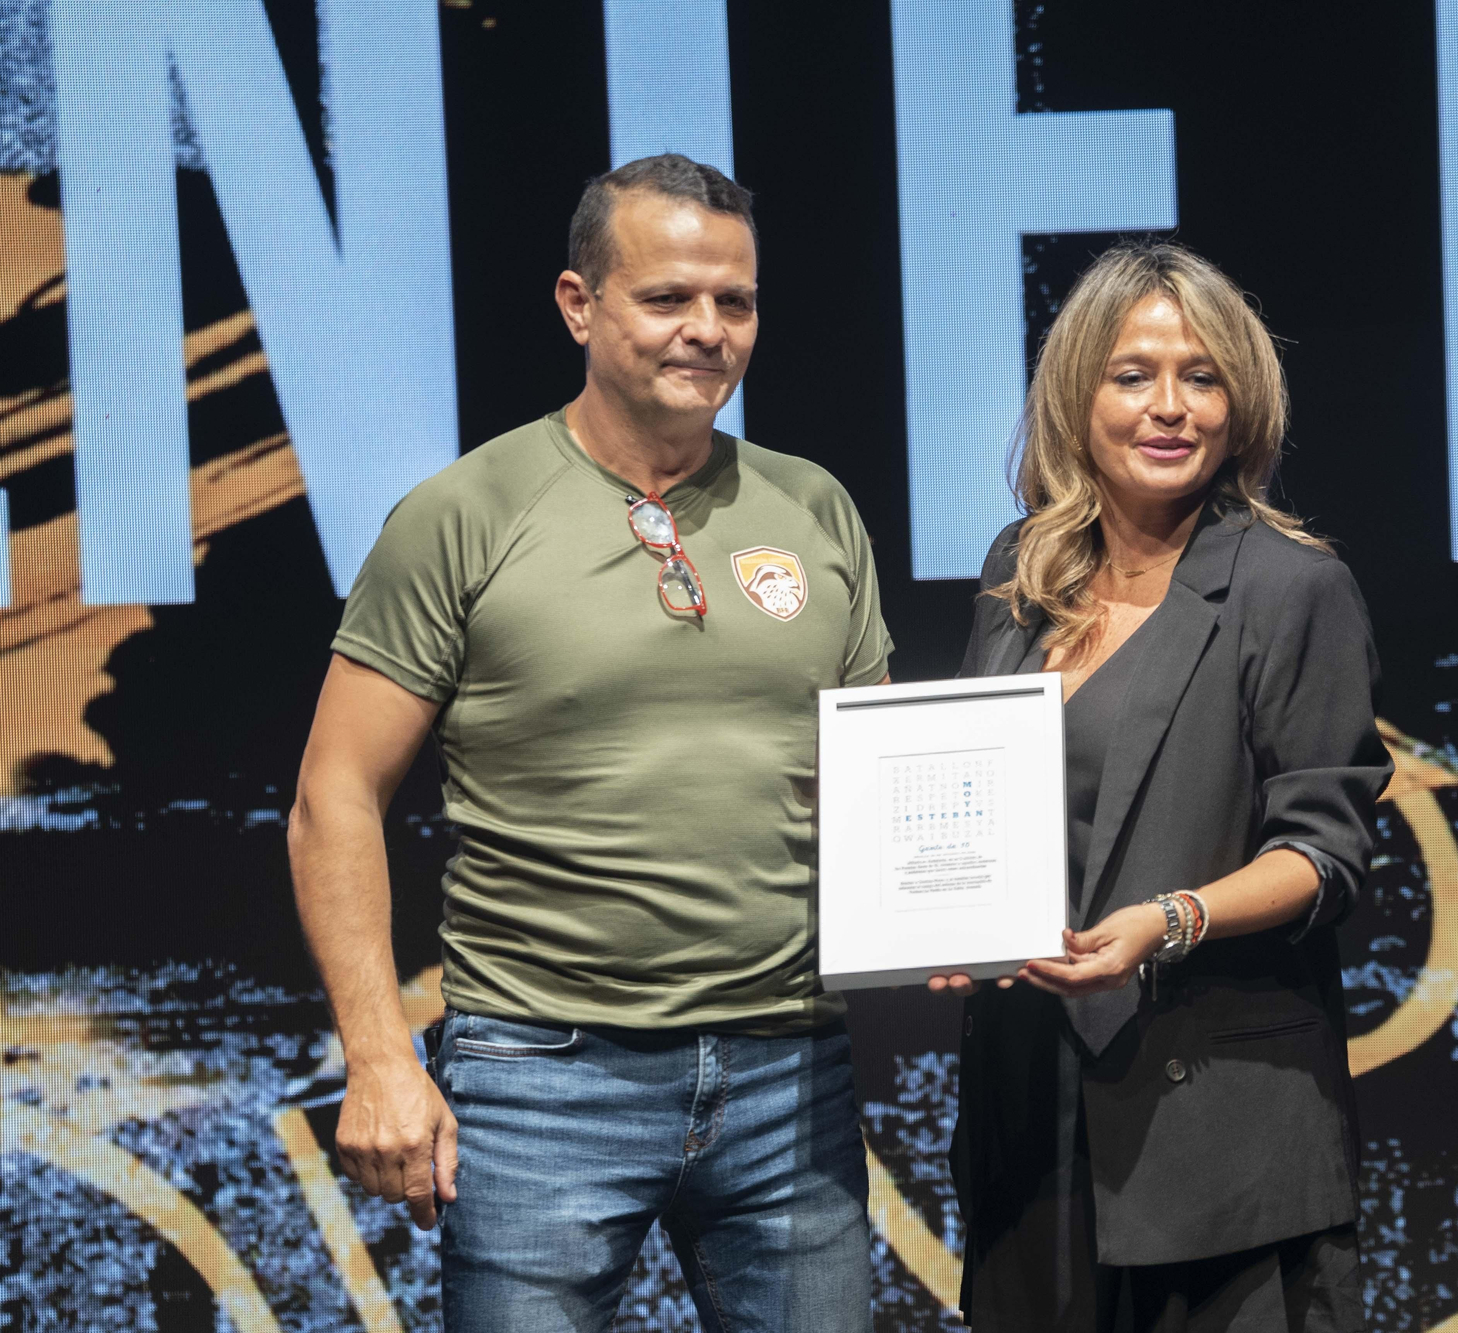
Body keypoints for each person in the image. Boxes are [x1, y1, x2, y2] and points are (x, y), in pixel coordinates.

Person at [288, 154, 891, 1333]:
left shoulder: (812, 507)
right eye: (667, 297)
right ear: (579, 304)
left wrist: (953, 909)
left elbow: (878, 778)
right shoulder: (464, 514)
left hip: (789, 1070)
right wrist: (378, 1055)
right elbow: (333, 795)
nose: (706, 329)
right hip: (540, 1077)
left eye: (734, 300)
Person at [933, 241, 1394, 1332]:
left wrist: (1168, 920)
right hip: (1028, 1116)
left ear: (1241, 403)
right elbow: (978, 799)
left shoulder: (1292, 587)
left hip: (1218, 1127)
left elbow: (1325, 851)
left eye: (1202, 377)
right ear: (1076, 396)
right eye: (1133, 375)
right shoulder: (1020, 573)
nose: (1170, 407)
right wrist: (948, 916)